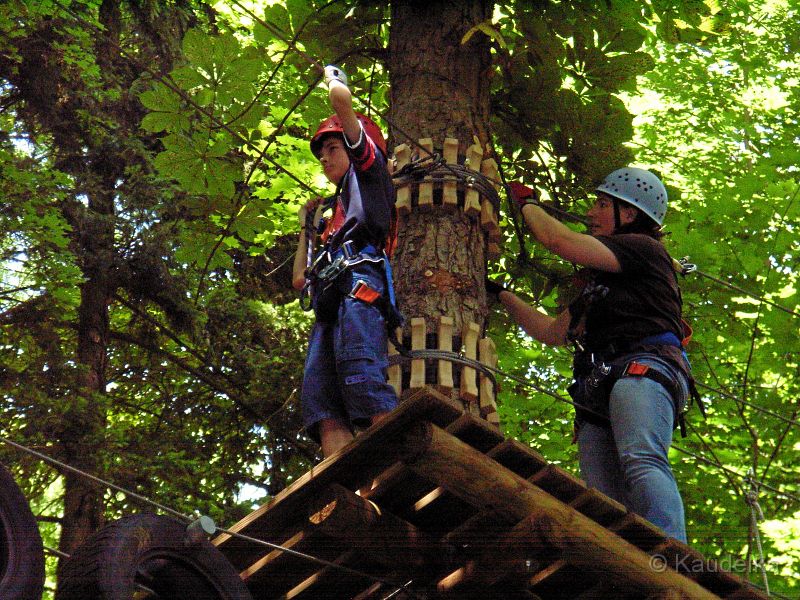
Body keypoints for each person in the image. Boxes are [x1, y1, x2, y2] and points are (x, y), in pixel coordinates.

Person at [488, 168, 692, 542]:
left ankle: (673, 557)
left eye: (602, 204)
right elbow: (552, 332)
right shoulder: (602, 284)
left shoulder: (643, 250)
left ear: (628, 214)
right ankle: (622, 569)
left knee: (642, 460)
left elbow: (557, 240)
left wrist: (528, 204)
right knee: (602, 500)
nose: (592, 212)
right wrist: (500, 294)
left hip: (642, 369)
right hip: (602, 387)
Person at [292, 65, 401, 458]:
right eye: (321, 153)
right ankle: (347, 489)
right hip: (330, 304)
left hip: (359, 292)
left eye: (331, 148)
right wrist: (307, 229)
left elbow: (342, 105)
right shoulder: (332, 216)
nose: (324, 158)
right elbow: (300, 283)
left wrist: (333, 77)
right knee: (322, 400)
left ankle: (394, 470)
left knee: (361, 379)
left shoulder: (369, 175)